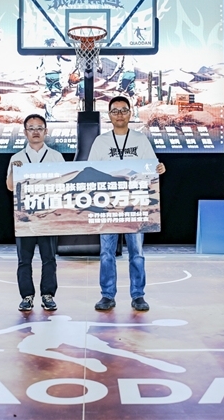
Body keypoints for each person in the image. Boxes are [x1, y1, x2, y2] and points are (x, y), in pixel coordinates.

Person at [87, 96, 166, 312]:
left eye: (123, 110)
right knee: (106, 253)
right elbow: (90, 169)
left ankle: (138, 295)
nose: (119, 114)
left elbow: (152, 167)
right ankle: (107, 295)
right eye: (115, 111)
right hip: (108, 205)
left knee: (136, 252)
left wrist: (159, 168)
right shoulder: (101, 142)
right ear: (109, 115)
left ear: (130, 113)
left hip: (135, 204)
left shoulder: (140, 139)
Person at [6, 114, 65, 311]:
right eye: (31, 128)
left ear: (46, 131)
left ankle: (48, 295)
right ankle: (27, 296)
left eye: (39, 128)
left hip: (48, 214)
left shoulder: (56, 157)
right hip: (25, 216)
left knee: (49, 258)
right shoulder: (17, 158)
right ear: (25, 133)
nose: (36, 132)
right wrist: (14, 171)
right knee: (24, 259)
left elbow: (64, 184)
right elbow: (10, 186)